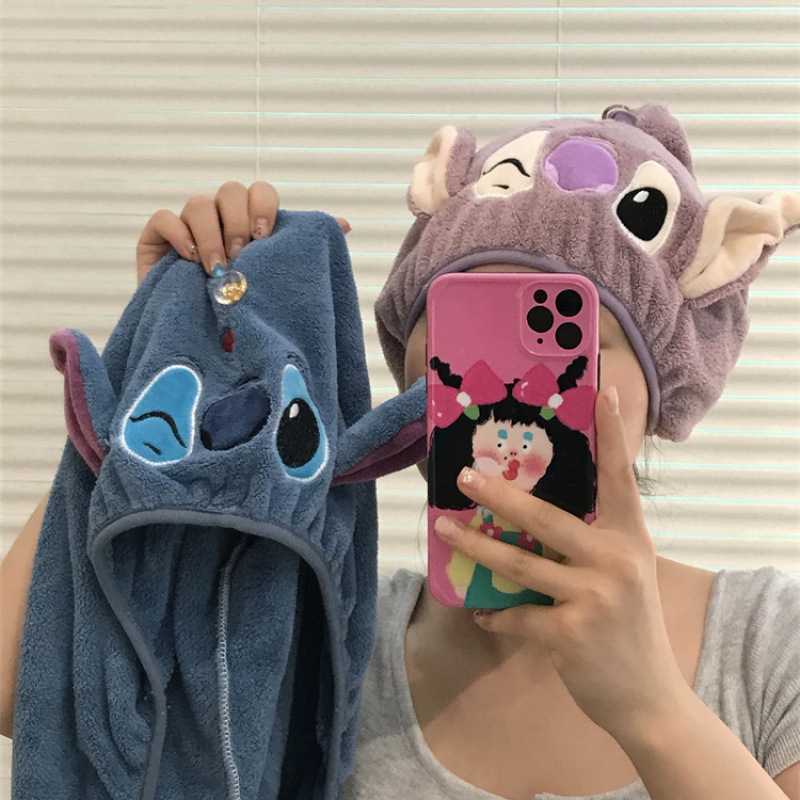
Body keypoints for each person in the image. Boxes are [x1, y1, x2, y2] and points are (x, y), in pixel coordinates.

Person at [2, 105, 799, 800]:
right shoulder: (332, 630)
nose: (500, 387)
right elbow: (24, 693)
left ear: (664, 387)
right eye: (464, 328)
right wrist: (166, 353)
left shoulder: (768, 643)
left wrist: (654, 708)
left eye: (570, 343)